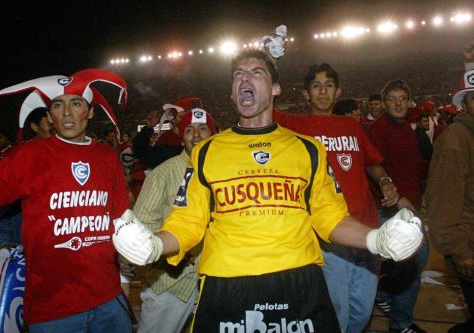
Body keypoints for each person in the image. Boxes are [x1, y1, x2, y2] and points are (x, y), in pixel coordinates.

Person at [113, 45, 423, 332]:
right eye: (238, 75)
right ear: (233, 94)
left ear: (274, 88)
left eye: (256, 72)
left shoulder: (309, 149)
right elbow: (187, 223)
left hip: (300, 282)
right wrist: (153, 245)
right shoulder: (206, 151)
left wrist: (376, 239)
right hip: (226, 285)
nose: (244, 79)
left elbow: (330, 219)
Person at [0, 69, 132, 333]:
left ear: (91, 112)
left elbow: (121, 221)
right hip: (53, 308)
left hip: (108, 300)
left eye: (76, 104)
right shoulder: (30, 155)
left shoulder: (107, 155)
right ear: (49, 115)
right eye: (58, 105)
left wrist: (124, 277)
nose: (67, 113)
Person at [274, 62, 411, 333]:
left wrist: (385, 181)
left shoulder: (352, 125)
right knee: (337, 311)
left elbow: (371, 162)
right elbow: (264, 104)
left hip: (367, 228)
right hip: (330, 236)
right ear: (305, 94)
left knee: (362, 310)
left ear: (338, 92)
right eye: (316, 86)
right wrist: (273, 60)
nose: (322, 92)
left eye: (329, 86)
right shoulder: (293, 126)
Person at [133, 108, 215, 333]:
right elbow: (140, 227)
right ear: (182, 136)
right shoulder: (164, 172)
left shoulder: (224, 172)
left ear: (214, 134)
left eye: (203, 128)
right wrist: (169, 252)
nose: (196, 135)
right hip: (172, 286)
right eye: (189, 129)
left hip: (213, 283)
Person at [367, 80, 430, 333]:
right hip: (390, 209)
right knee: (415, 260)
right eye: (392, 98)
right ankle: (401, 324)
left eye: (402, 98)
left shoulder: (406, 128)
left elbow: (412, 167)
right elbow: (371, 165)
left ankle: (383, 293)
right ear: (383, 103)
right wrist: (394, 191)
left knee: (406, 263)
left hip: (409, 207)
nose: (398, 103)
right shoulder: (378, 130)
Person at [426, 55, 474, 333]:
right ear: (465, 104)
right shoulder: (456, 140)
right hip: (469, 245)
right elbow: (443, 201)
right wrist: (461, 252)